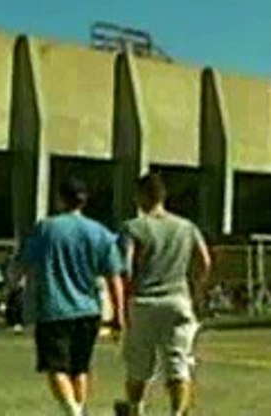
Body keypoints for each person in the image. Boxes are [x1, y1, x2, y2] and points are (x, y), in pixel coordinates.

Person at [21, 177, 125, 416]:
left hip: (54, 309)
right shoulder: (100, 232)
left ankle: (73, 412)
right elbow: (114, 276)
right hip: (89, 309)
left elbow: (27, 263)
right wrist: (119, 314)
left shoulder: (46, 228)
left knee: (55, 367)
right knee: (80, 368)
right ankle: (80, 409)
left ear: (60, 199)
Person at [117, 173, 211, 416]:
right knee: (178, 362)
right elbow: (204, 261)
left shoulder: (133, 227)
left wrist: (123, 301)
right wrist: (196, 289)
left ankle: (136, 408)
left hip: (144, 301)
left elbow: (125, 268)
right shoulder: (186, 227)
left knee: (139, 366)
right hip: (177, 299)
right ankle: (177, 412)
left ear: (141, 196)